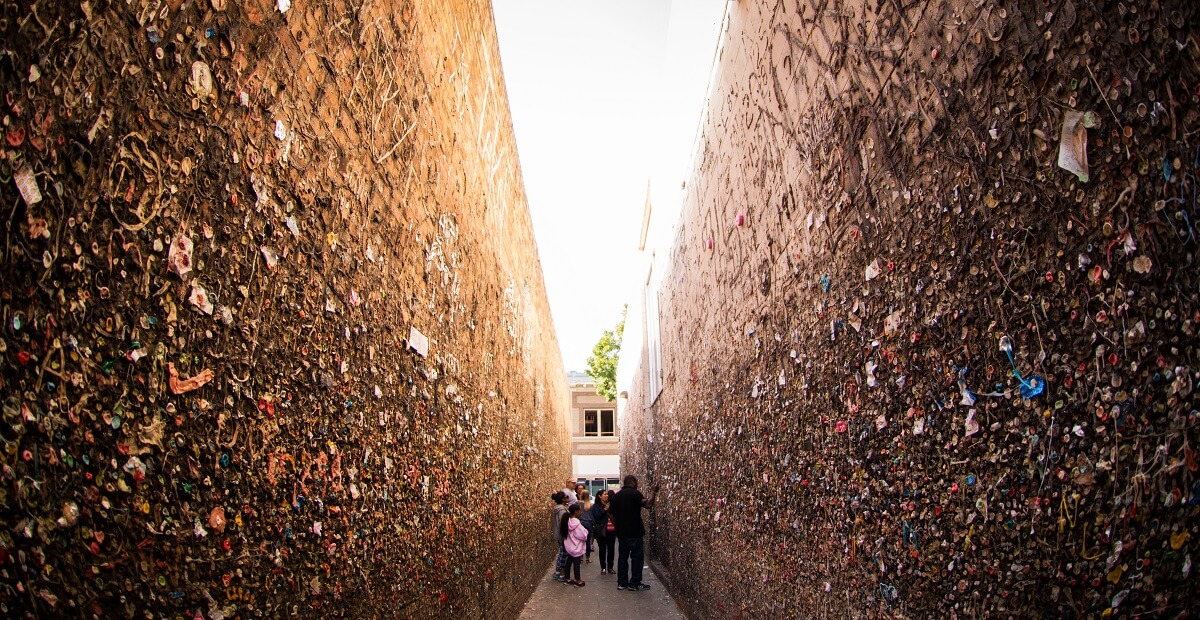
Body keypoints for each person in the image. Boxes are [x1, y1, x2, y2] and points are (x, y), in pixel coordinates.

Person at [608, 475, 659, 591]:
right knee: (636, 558)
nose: (637, 485)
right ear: (632, 482)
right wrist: (653, 492)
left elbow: (610, 513)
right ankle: (634, 583)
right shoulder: (635, 494)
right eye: (636, 482)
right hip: (635, 532)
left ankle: (622, 583)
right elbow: (648, 504)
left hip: (622, 534)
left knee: (622, 558)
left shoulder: (616, 496)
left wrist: (617, 526)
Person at [561, 502, 589, 587]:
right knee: (577, 564)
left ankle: (567, 579)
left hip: (569, 547)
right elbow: (582, 535)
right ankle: (578, 580)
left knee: (568, 562)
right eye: (580, 511)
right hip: (576, 547)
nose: (581, 512)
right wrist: (586, 532)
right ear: (576, 511)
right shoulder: (576, 523)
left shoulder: (567, 521)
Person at [590, 489, 616, 575]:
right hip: (601, 531)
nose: (607, 496)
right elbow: (596, 517)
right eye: (605, 494)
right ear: (599, 496)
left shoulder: (611, 505)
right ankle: (603, 568)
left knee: (611, 549)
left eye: (607, 494)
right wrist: (605, 509)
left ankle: (610, 567)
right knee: (602, 549)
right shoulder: (596, 506)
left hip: (612, 530)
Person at [549, 491, 569, 581]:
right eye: (566, 497)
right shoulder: (561, 510)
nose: (568, 498)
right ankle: (561, 573)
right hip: (562, 535)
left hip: (558, 534)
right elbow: (563, 523)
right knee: (564, 554)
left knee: (561, 553)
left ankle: (557, 572)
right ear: (563, 499)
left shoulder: (558, 508)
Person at [578, 490, 594, 563]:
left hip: (580, 523)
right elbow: (592, 516)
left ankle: (580, 558)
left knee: (580, 541)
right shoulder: (590, 504)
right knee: (588, 541)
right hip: (589, 523)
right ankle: (587, 558)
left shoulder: (577, 503)